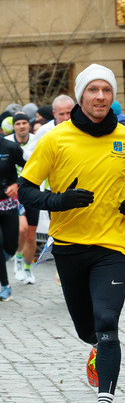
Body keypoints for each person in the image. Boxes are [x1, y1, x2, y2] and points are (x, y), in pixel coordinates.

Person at [18, 64, 125, 403]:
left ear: (113, 96)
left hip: (112, 245)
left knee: (108, 322)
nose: (99, 97)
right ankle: (96, 348)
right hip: (68, 246)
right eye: (92, 90)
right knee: (87, 329)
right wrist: (58, 201)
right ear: (81, 96)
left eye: (106, 90)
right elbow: (26, 190)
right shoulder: (54, 139)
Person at [7, 113, 39, 284]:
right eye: (18, 123)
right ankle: (18, 259)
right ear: (14, 127)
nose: (21, 126)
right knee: (22, 229)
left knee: (31, 236)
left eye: (24, 123)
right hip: (14, 194)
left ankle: (27, 269)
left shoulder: (37, 140)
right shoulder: (7, 143)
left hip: (33, 192)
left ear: (29, 125)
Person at [0, 136, 25, 300]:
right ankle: (5, 284)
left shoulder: (10, 147)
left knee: (10, 246)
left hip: (8, 204)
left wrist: (17, 184)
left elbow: (31, 168)